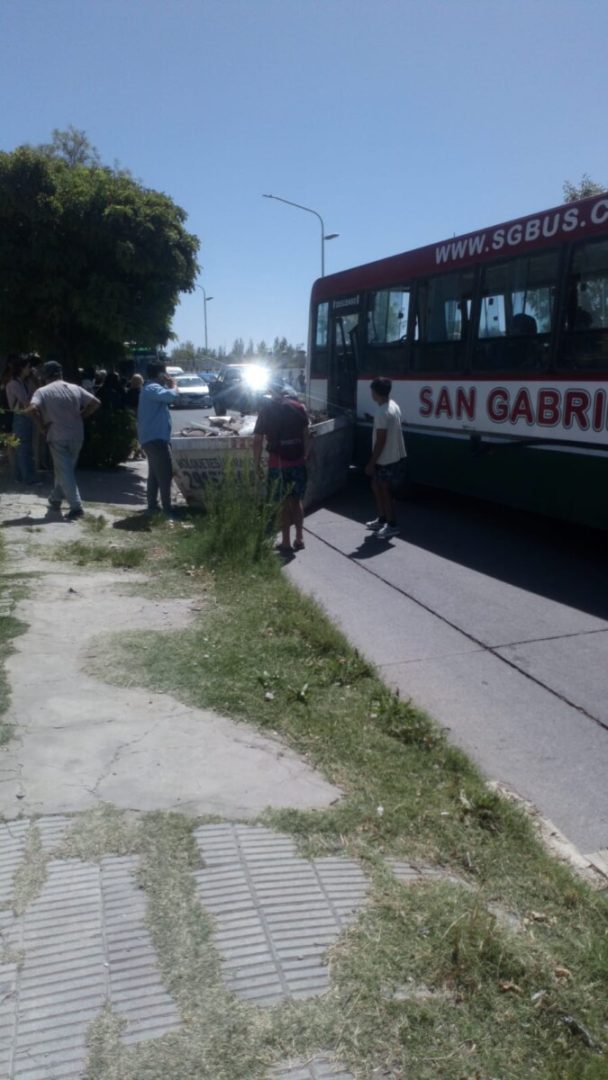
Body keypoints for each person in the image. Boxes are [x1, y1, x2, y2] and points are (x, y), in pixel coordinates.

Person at [26, 360, 101, 520]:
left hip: (57, 435)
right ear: (60, 374)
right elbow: (95, 402)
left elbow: (32, 409)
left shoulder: (42, 391)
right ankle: (55, 499)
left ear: (46, 376)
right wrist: (81, 416)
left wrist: (41, 427)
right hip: (77, 435)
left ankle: (76, 507)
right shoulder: (74, 388)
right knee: (65, 470)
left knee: (65, 472)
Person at [253, 380, 311, 553]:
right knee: (297, 501)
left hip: (278, 464)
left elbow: (257, 441)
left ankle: (286, 542)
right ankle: (299, 538)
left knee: (283, 503)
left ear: (270, 391)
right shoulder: (299, 407)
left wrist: (256, 463)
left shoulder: (267, 410)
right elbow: (307, 435)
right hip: (298, 462)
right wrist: (305, 456)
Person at [364, 376, 406, 540]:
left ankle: (392, 524)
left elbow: (381, 441)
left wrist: (371, 463)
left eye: (372, 391)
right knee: (376, 485)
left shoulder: (382, 412)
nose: (371, 394)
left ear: (376, 392)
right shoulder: (393, 406)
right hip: (393, 456)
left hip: (385, 459)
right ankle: (382, 519)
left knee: (383, 489)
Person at [137, 360, 178, 515]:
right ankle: (168, 509)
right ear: (161, 374)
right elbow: (171, 397)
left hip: (152, 438)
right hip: (156, 439)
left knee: (155, 474)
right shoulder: (153, 388)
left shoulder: (151, 388)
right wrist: (173, 384)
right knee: (165, 474)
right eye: (165, 372)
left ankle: (153, 505)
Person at [5, 355, 39, 485]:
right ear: (22, 368)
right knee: (23, 448)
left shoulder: (24, 381)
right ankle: (27, 478)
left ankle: (21, 476)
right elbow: (26, 402)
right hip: (20, 416)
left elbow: (35, 393)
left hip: (25, 416)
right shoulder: (14, 383)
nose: (30, 369)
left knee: (25, 447)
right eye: (28, 367)